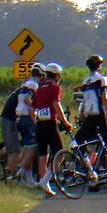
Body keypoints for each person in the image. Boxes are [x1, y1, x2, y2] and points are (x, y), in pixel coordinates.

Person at [74, 54, 107, 189]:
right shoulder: (101, 80)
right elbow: (104, 99)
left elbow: (85, 101)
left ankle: (91, 172)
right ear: (99, 66)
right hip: (100, 116)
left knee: (79, 144)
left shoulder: (85, 81)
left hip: (89, 117)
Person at [33, 62, 74, 196]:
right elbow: (56, 105)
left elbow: (34, 108)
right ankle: (45, 181)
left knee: (43, 155)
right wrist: (65, 122)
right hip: (50, 124)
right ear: (57, 76)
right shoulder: (55, 88)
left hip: (40, 124)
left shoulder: (39, 89)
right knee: (60, 154)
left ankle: (43, 181)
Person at [13, 62, 46, 187]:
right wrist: (35, 118)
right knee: (34, 146)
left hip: (20, 117)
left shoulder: (26, 83)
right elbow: (28, 100)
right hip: (26, 117)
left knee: (27, 146)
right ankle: (20, 172)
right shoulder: (33, 85)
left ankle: (28, 178)